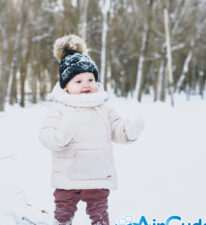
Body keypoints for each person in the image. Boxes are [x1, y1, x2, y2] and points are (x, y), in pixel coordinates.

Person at [39, 34, 145, 225]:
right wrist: (60, 137)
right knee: (63, 213)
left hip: (97, 174)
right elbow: (46, 135)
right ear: (66, 86)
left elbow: (116, 129)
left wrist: (128, 131)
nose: (86, 85)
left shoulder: (103, 107)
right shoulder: (59, 108)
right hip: (68, 176)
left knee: (100, 214)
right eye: (78, 82)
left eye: (90, 79)